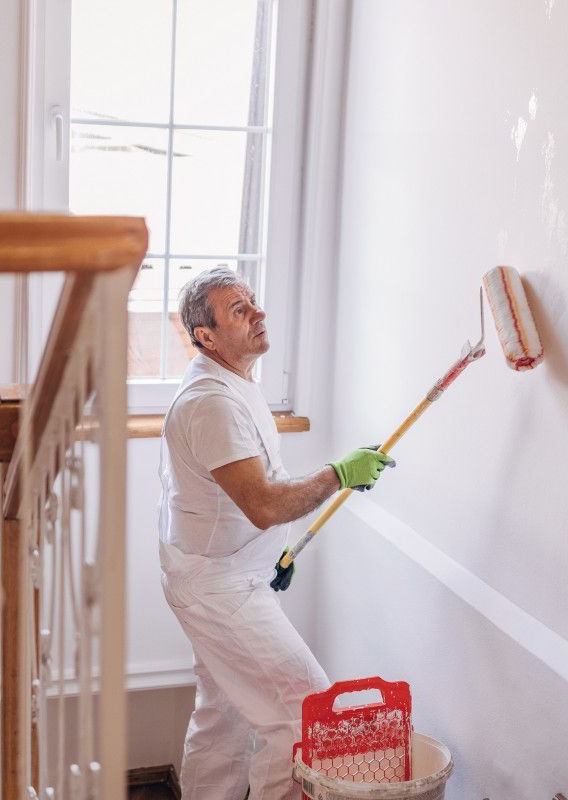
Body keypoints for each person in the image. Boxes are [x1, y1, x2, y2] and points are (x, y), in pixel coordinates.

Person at [158, 267, 395, 799]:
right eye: (239, 310)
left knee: (224, 716)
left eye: (254, 302)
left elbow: (248, 496)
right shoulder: (211, 404)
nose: (259, 313)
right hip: (219, 588)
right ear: (207, 337)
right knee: (305, 714)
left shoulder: (233, 383)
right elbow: (263, 504)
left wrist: (273, 556)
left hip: (222, 573)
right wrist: (337, 475)